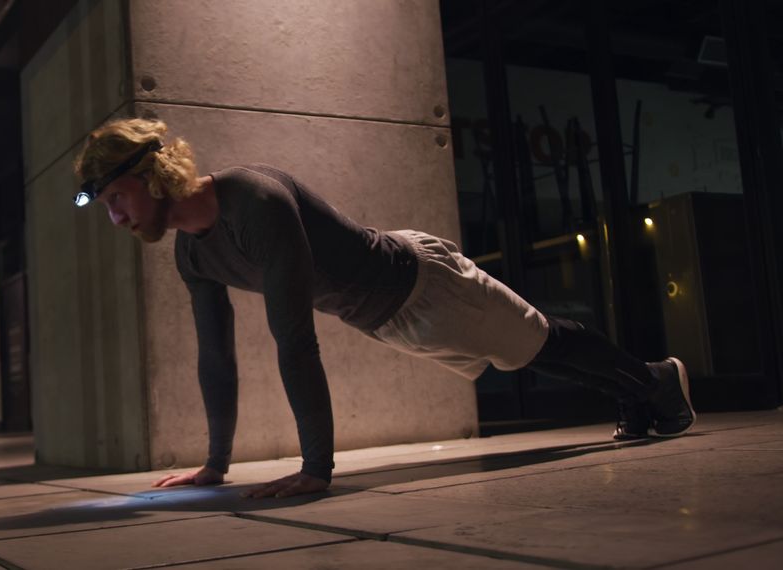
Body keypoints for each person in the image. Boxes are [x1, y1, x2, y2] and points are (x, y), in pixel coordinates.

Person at [72, 118, 696, 499]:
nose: (116, 217)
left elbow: (293, 337)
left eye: (117, 197)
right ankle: (638, 391)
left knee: (540, 344)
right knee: (523, 356)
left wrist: (318, 468)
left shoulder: (254, 200)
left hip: (424, 282)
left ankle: (655, 381)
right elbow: (216, 358)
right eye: (105, 206)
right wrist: (214, 464)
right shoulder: (191, 256)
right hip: (386, 321)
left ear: (152, 176)